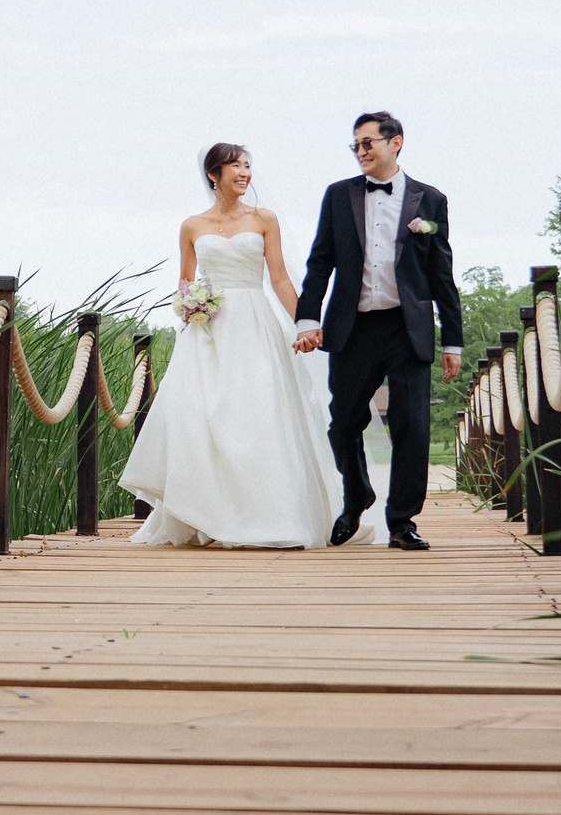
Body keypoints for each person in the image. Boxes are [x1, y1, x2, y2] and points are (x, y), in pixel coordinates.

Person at [120, 143, 383, 549]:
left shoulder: (264, 220)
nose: (245, 173)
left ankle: (269, 515)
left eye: (248, 166)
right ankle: (207, 514)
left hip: (254, 325)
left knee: (257, 413)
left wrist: (305, 323)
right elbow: (186, 281)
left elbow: (278, 278)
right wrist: (190, 305)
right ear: (214, 174)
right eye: (236, 167)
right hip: (208, 330)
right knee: (202, 417)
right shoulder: (192, 225)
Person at [292, 110, 463, 552]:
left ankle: (402, 522)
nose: (361, 151)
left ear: (396, 143)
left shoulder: (431, 201)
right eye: (356, 145)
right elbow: (319, 262)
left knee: (412, 426)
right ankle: (356, 496)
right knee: (343, 422)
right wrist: (308, 318)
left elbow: (442, 275)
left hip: (408, 329)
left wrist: (454, 341)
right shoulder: (337, 196)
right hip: (352, 326)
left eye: (368, 143)